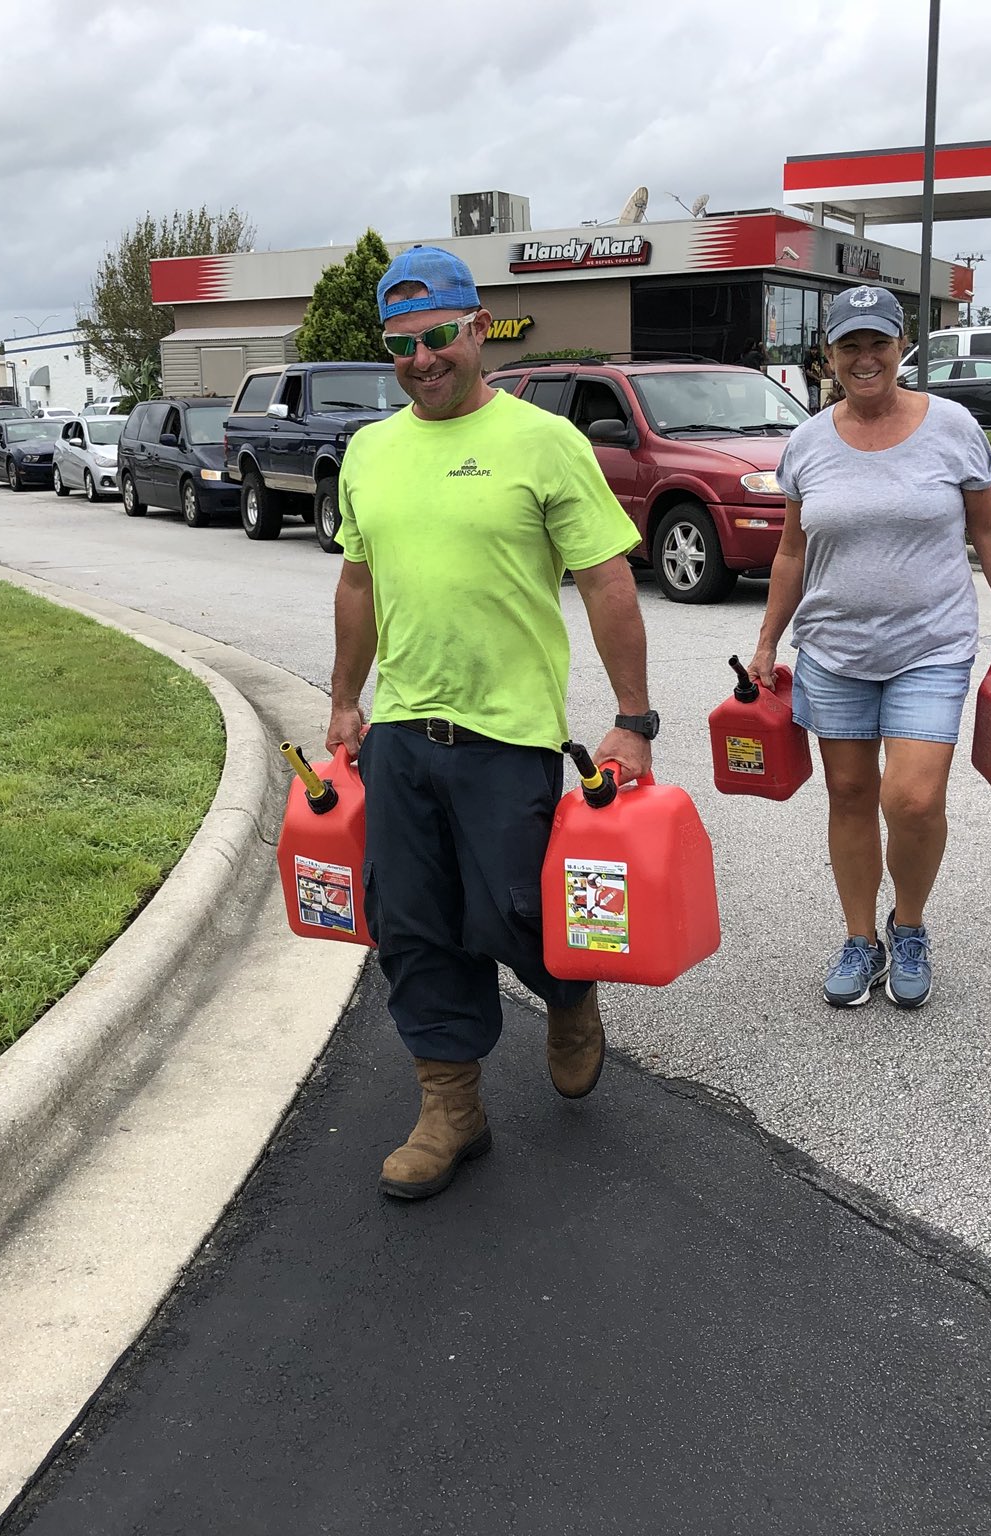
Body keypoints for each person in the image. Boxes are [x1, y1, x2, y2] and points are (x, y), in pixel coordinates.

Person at [326, 246, 654, 1201]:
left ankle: (566, 992)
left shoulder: (545, 443)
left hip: (508, 736)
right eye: (401, 346)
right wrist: (348, 698)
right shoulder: (371, 452)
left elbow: (604, 579)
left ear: (479, 331)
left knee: (515, 909)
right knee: (412, 923)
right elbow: (359, 581)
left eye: (438, 338)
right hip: (401, 732)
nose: (422, 361)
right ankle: (450, 1107)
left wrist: (633, 718)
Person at [749, 285, 991, 1011]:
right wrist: (766, 641)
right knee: (848, 794)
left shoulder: (952, 427)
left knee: (910, 797)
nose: (865, 358)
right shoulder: (808, 442)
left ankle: (908, 925)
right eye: (851, 345)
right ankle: (859, 939)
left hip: (930, 645)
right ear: (830, 355)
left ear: (900, 347)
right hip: (833, 647)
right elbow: (790, 552)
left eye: (879, 343)